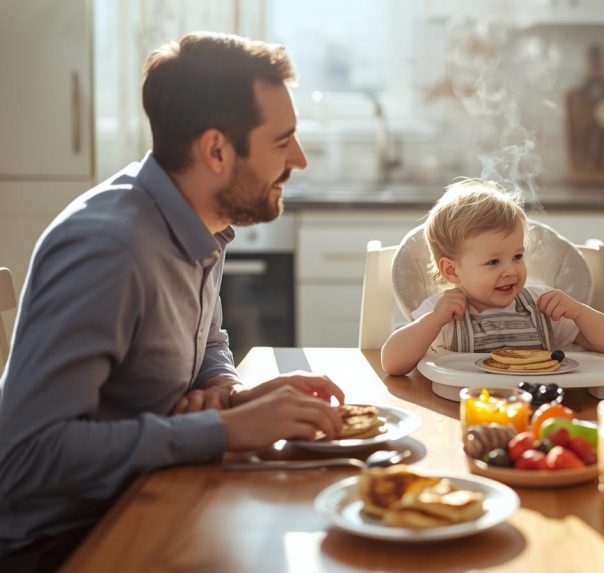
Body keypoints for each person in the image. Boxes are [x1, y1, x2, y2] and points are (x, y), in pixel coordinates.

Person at [0, 32, 349, 569]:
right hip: (62, 544)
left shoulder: (201, 220)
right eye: (282, 142)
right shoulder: (109, 251)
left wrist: (226, 389)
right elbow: (25, 456)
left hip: (148, 495)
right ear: (216, 150)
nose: (299, 160)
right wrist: (223, 431)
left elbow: (205, 338)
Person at [381, 179, 604, 376]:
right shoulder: (444, 312)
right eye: (493, 262)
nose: (510, 270)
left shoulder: (542, 305)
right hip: (465, 405)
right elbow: (392, 363)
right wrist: (432, 321)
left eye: (517, 256)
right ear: (452, 271)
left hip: (537, 405)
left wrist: (579, 312)